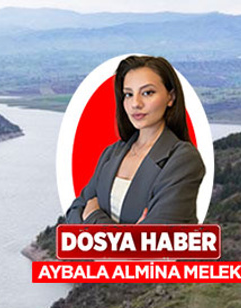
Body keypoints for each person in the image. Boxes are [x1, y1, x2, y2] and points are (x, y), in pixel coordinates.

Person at [65, 55, 204, 224]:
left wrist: (93, 216)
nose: (135, 103)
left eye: (147, 93)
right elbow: (74, 212)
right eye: (128, 94)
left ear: (171, 97)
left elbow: (151, 242)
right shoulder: (112, 153)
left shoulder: (183, 159)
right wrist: (129, 234)